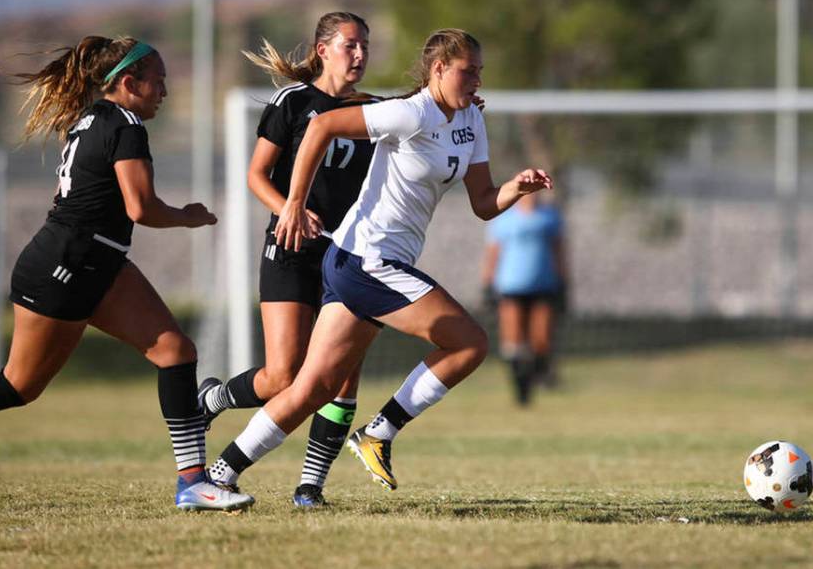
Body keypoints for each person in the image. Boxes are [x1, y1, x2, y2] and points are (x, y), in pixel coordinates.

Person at [0, 35, 253, 513]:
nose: (165, 91)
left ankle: (193, 483)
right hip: (66, 264)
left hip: (96, 261)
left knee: (176, 353)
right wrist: (188, 216)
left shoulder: (94, 117)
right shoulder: (126, 125)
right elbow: (140, 207)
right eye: (158, 81)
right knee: (19, 385)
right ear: (130, 82)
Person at [204, 28, 553, 501]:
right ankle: (378, 433)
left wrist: (517, 186)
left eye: (479, 71)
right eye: (467, 70)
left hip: (360, 261)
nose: (476, 79)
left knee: (311, 388)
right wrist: (293, 203)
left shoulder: (471, 119)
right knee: (469, 343)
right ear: (438, 69)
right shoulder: (410, 112)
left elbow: (485, 204)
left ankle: (219, 475)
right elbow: (322, 127)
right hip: (368, 259)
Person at [197, 12, 375, 507]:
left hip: (345, 257)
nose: (359, 54)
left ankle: (310, 486)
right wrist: (289, 209)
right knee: (283, 377)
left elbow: (424, 117)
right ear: (323, 50)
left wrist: (462, 103)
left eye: (365, 46)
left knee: (342, 375)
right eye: (350, 45)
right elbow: (256, 175)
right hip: (291, 250)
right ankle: (212, 400)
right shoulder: (293, 102)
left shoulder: (372, 111)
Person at [481, 192, 566, 405]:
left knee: (541, 339)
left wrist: (564, 281)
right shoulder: (504, 220)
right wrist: (487, 284)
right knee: (513, 341)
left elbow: (559, 250)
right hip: (511, 285)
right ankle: (521, 391)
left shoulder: (550, 217)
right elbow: (493, 253)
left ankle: (540, 373)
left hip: (544, 285)